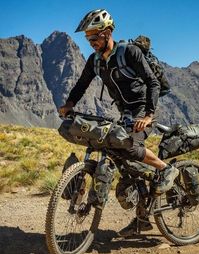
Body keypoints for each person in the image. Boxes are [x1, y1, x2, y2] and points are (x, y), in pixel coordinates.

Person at [58, 9, 179, 237]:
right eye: (88, 38)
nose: (91, 42)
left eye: (94, 37)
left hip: (145, 110)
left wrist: (148, 116)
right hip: (125, 114)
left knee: (131, 147)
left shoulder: (129, 52)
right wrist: (69, 104)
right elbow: (82, 84)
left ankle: (166, 169)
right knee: (119, 156)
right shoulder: (95, 62)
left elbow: (153, 83)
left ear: (107, 33)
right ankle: (142, 216)